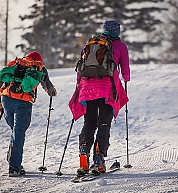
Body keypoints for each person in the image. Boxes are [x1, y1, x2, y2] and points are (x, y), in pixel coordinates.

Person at [69, 20, 130, 174]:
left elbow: (80, 68)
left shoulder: (91, 43)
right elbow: (126, 72)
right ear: (117, 31)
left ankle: (84, 149)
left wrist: (80, 87)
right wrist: (126, 79)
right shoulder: (120, 46)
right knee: (104, 123)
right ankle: (99, 157)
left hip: (87, 88)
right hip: (107, 89)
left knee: (89, 122)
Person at [0, 51, 57, 176]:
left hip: (6, 100)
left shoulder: (15, 63)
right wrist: (52, 91)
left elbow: (3, 81)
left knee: (15, 131)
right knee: (18, 132)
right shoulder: (39, 67)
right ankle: (14, 167)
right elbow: (49, 87)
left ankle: (13, 161)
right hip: (23, 102)